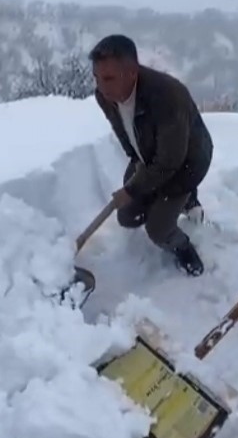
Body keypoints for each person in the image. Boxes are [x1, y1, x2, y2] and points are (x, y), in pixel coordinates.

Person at [89, 34, 214, 276]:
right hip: (148, 158)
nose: (101, 87)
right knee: (127, 217)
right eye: (96, 78)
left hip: (186, 163)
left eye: (109, 78)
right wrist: (137, 168)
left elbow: (170, 161)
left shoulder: (167, 97)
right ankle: (176, 202)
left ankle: (184, 247)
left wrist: (132, 189)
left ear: (132, 73)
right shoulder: (105, 97)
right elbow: (124, 133)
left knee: (158, 229)